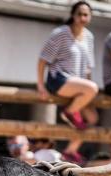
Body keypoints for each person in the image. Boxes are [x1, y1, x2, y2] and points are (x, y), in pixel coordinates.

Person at [37, 1, 98, 165]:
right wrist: (40, 85)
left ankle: (71, 150)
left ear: (90, 17)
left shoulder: (89, 37)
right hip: (58, 80)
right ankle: (68, 112)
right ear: (73, 15)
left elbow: (88, 68)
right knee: (92, 88)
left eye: (86, 14)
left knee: (92, 118)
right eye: (79, 14)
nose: (82, 18)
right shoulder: (61, 33)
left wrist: (89, 96)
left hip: (78, 85)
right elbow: (43, 60)